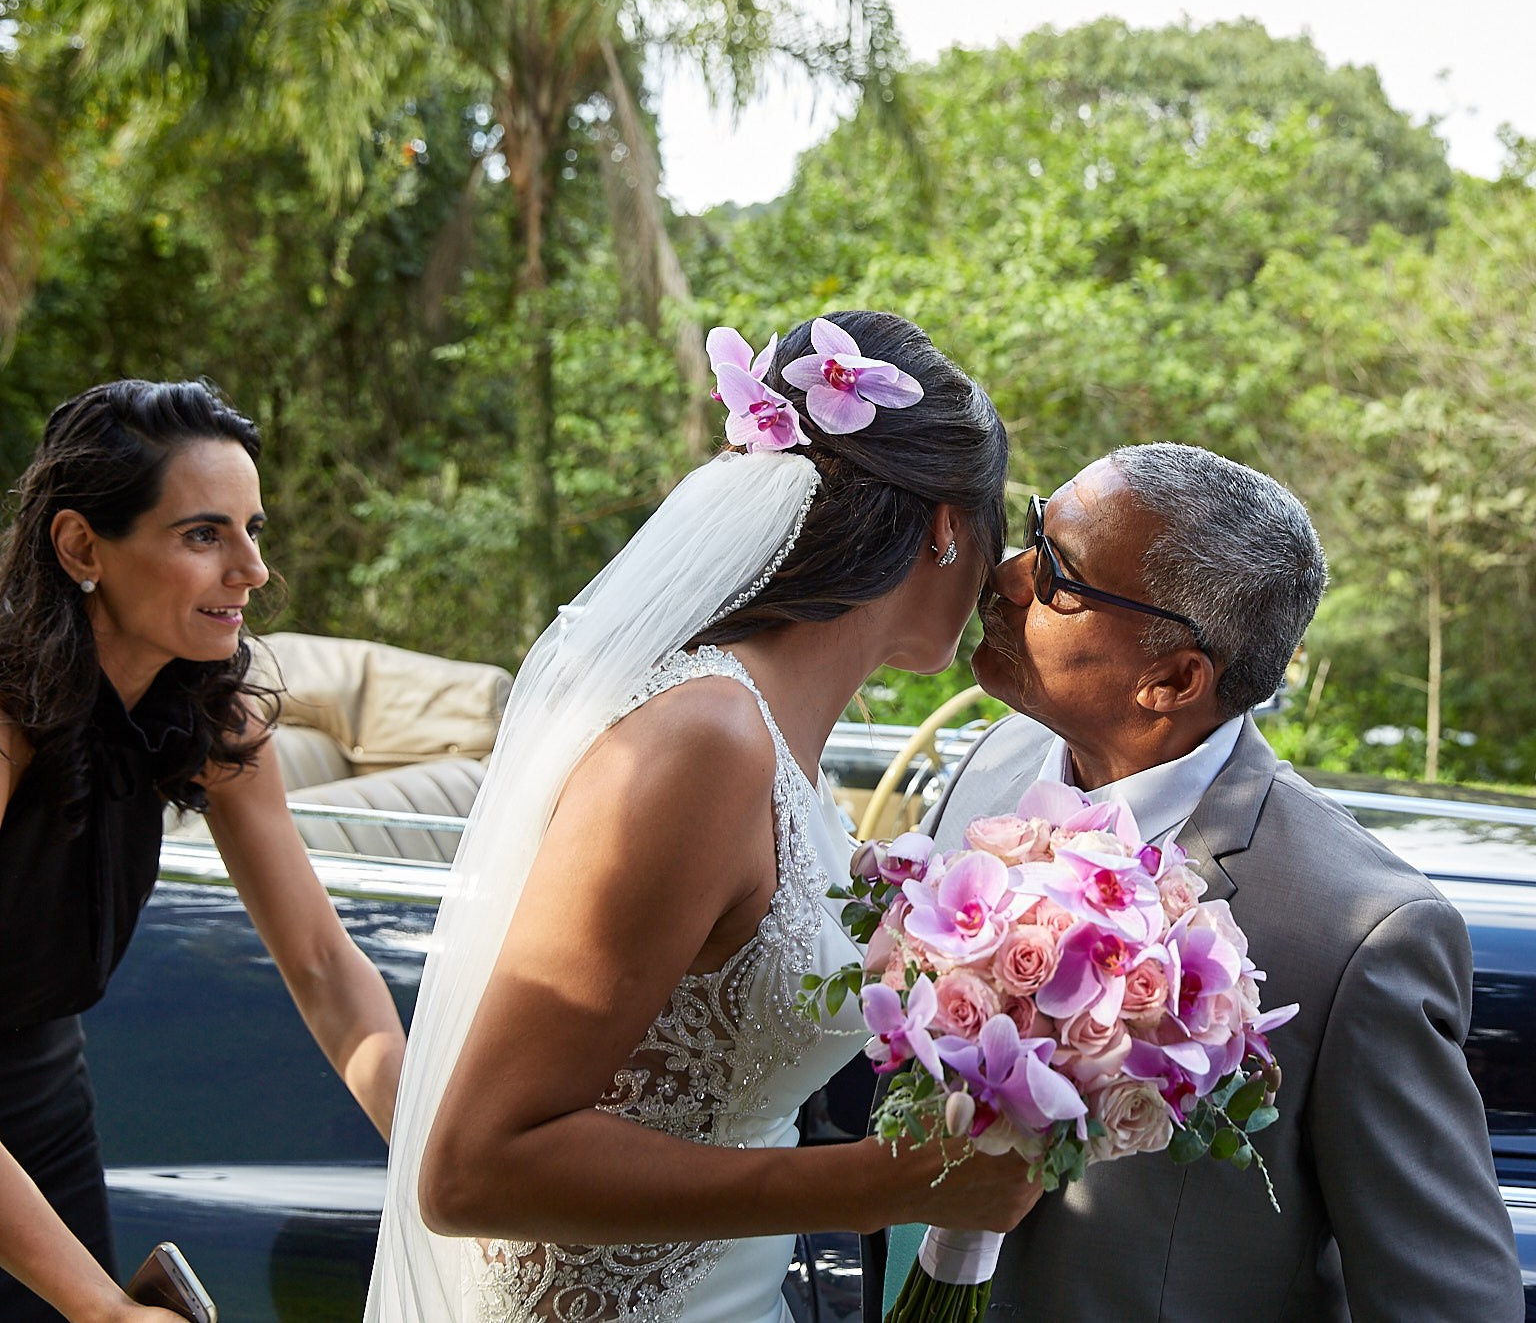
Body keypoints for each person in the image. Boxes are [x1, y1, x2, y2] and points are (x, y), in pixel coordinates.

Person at [366, 311, 1042, 1323]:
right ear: (947, 525)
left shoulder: (786, 764)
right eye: (1003, 528)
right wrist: (889, 1180)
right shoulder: (705, 742)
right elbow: (472, 1171)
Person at [902, 443, 1525, 1320]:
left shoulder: (1356, 934)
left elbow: (1446, 1301)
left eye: (1057, 575)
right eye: (1034, 530)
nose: (1005, 574)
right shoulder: (995, 759)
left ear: (1173, 679)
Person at [0, 380, 408, 1322]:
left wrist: (430, 1149)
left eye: (253, 528)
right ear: (80, 547)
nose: (253, 568)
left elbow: (320, 964)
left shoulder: (213, 708)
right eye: (203, 534)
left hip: (42, 1101)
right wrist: (98, 1307)